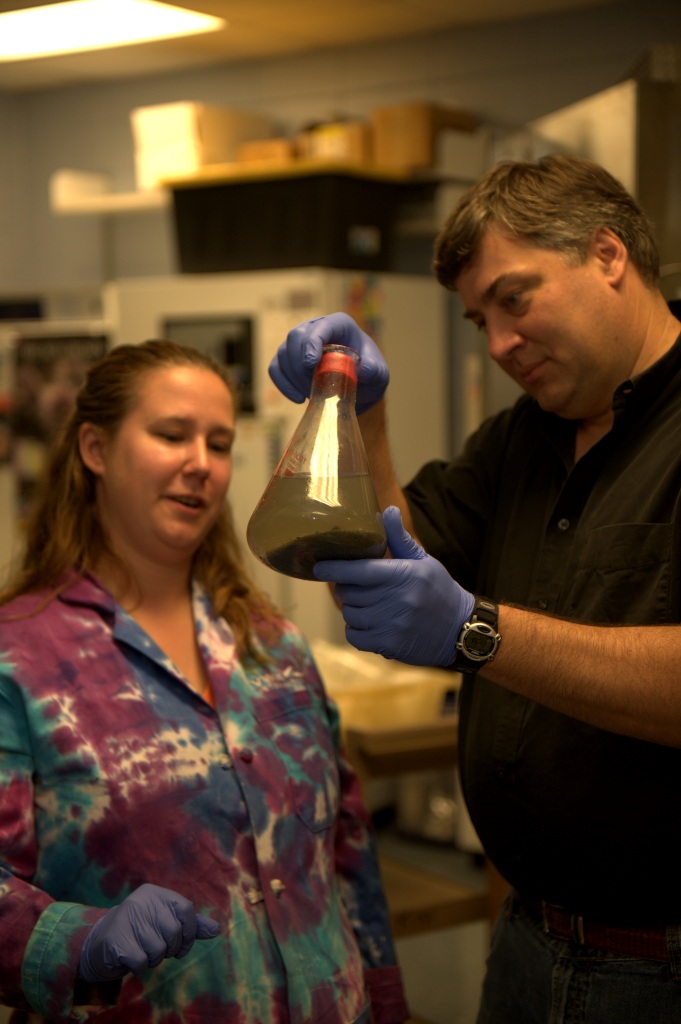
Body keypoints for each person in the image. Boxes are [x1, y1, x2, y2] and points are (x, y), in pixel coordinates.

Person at [268, 154, 681, 1023]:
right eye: (477, 319)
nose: (495, 345)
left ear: (608, 256)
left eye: (515, 300)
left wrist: (476, 632)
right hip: (529, 938)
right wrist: (358, 413)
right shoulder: (517, 441)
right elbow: (389, 558)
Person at [0, 339, 409, 1024]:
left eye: (219, 444)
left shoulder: (269, 643)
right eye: (170, 435)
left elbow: (347, 848)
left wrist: (387, 1001)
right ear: (95, 450)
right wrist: (77, 941)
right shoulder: (21, 657)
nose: (201, 465)